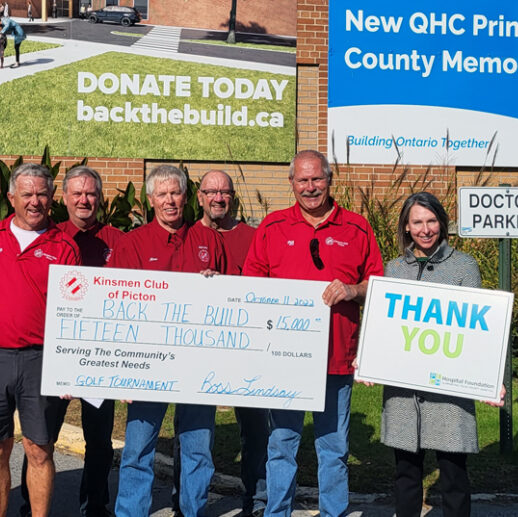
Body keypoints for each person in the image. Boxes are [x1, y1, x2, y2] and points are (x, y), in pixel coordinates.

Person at [242, 150, 384, 517]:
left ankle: (333, 512)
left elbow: (379, 286)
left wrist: (353, 290)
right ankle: (277, 512)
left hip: (337, 357)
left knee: (334, 448)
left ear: (329, 180)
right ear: (291, 183)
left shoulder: (357, 227)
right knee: (281, 444)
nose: (310, 187)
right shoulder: (272, 227)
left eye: (317, 179)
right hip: (284, 360)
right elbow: (250, 286)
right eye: (302, 180)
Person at [369, 192, 503, 517]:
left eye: (431, 221)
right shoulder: (394, 269)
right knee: (405, 475)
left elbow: (476, 332)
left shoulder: (464, 266)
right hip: (403, 395)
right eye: (417, 222)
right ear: (406, 226)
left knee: (453, 476)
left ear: (442, 224)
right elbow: (385, 328)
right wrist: (370, 359)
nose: (425, 229)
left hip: (449, 394)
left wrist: (489, 378)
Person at [110, 165, 227, 517]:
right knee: (137, 450)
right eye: (162, 194)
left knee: (197, 450)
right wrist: (122, 369)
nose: (170, 200)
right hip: (148, 365)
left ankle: (192, 511)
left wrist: (216, 284)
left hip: (197, 364)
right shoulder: (132, 244)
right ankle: (131, 512)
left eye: (175, 192)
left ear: (186, 196)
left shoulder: (209, 240)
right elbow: (115, 308)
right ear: (150, 200)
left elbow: (226, 302)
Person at [0, 163, 81, 517]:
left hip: (40, 359)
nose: (35, 202)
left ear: (52, 198)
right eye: (27, 194)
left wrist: (69, 368)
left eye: (42, 194)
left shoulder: (64, 246)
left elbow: (74, 313)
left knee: (39, 450)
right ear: (11, 197)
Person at [171, 170, 268, 517]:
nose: (218, 198)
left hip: (246, 352)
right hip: (198, 354)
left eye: (224, 192)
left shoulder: (254, 237)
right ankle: (185, 503)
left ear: (232, 197)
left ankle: (257, 501)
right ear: (199, 197)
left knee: (256, 432)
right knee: (193, 433)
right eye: (210, 191)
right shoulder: (184, 237)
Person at [51, 165, 125, 516]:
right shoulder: (49, 238)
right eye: (77, 193)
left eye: (91, 193)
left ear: (100, 199)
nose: (84, 200)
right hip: (58, 353)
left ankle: (95, 505)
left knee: (99, 438)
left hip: (100, 353)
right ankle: (33, 507)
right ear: (64, 198)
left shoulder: (118, 241)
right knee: (43, 437)